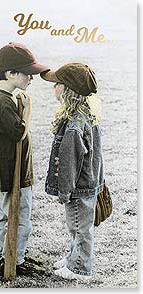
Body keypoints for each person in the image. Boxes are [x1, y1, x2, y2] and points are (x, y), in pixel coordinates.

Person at [0, 42, 49, 276]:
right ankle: (11, 259)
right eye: (28, 73)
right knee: (15, 215)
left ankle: (15, 255)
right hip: (10, 171)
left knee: (17, 214)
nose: (31, 79)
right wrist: (28, 108)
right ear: (11, 73)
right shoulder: (1, 102)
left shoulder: (5, 98)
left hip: (16, 169)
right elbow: (18, 131)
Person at [40, 63, 104, 280]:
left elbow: (69, 162)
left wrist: (64, 191)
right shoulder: (85, 115)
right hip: (87, 184)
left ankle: (80, 268)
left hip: (79, 188)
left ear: (67, 89)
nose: (53, 87)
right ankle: (73, 258)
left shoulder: (75, 125)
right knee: (77, 226)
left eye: (56, 84)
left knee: (79, 228)